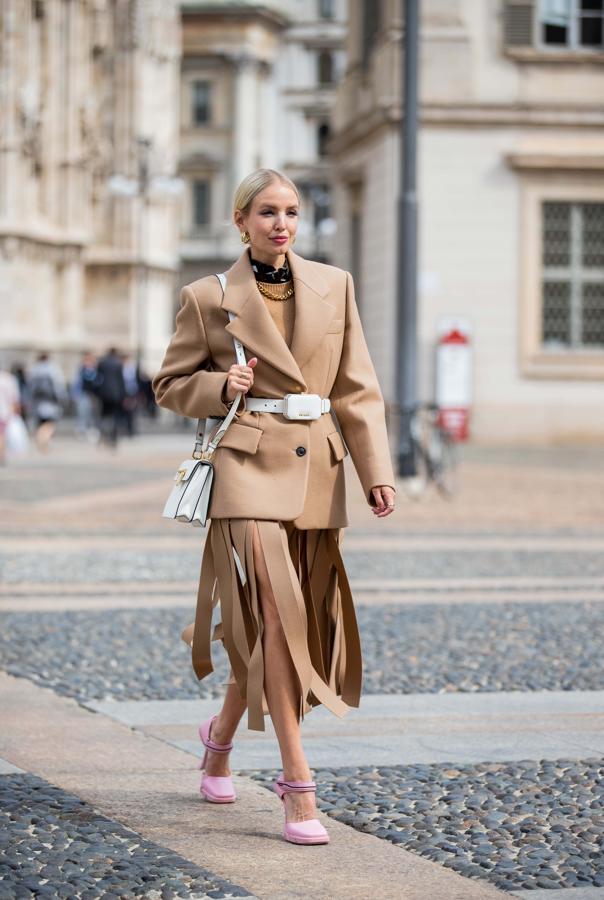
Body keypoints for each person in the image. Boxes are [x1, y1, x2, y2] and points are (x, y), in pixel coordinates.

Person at [152, 168, 396, 846]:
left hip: (317, 469)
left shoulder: (335, 285)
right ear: (241, 221)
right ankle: (297, 784)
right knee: (281, 617)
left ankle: (219, 740)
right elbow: (168, 384)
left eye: (290, 210)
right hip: (245, 467)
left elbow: (358, 388)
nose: (281, 222)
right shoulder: (207, 297)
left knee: (287, 623)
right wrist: (215, 383)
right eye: (266, 211)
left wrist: (376, 470)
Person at [27, 353, 66, 452]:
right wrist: (62, 399)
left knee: (40, 423)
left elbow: (30, 388)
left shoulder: (34, 370)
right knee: (50, 423)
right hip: (51, 402)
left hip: (38, 403)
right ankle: (43, 439)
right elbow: (59, 386)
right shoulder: (53, 369)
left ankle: (42, 439)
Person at [96, 348, 126, 446]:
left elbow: (97, 378)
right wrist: (123, 395)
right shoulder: (118, 364)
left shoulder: (102, 363)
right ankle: (113, 438)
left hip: (104, 393)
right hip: (116, 394)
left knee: (104, 415)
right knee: (115, 416)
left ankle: (103, 436)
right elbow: (121, 381)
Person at [71, 351, 100, 441]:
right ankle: (81, 431)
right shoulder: (82, 370)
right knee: (82, 414)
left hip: (93, 396)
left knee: (92, 415)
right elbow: (77, 384)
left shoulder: (95, 371)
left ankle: (90, 432)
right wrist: (75, 395)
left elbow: (97, 383)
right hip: (83, 395)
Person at [0, 361, 21, 464]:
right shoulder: (9, 379)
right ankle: (1, 455)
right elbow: (14, 397)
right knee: (1, 434)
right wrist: (16, 410)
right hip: (4, 411)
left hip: (4, 410)